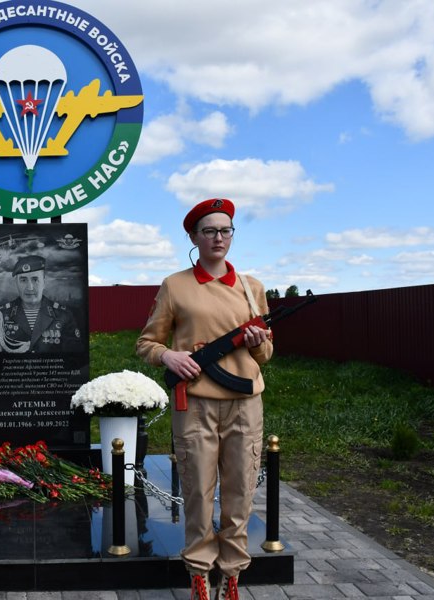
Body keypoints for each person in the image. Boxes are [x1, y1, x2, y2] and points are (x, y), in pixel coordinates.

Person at [136, 199, 273, 600]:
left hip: (245, 403)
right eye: (209, 231)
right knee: (197, 490)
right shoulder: (175, 285)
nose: (218, 238)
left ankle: (231, 574)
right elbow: (146, 343)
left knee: (241, 489)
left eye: (226, 230)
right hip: (195, 403)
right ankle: (199, 571)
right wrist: (170, 356)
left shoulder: (253, 288)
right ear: (193, 238)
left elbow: (265, 355)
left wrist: (257, 343)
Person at [0, 254, 82, 353]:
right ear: (16, 283)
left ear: (44, 283)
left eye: (35, 279)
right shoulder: (1, 315)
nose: (30, 287)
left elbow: (74, 356)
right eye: (23, 280)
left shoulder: (63, 315)